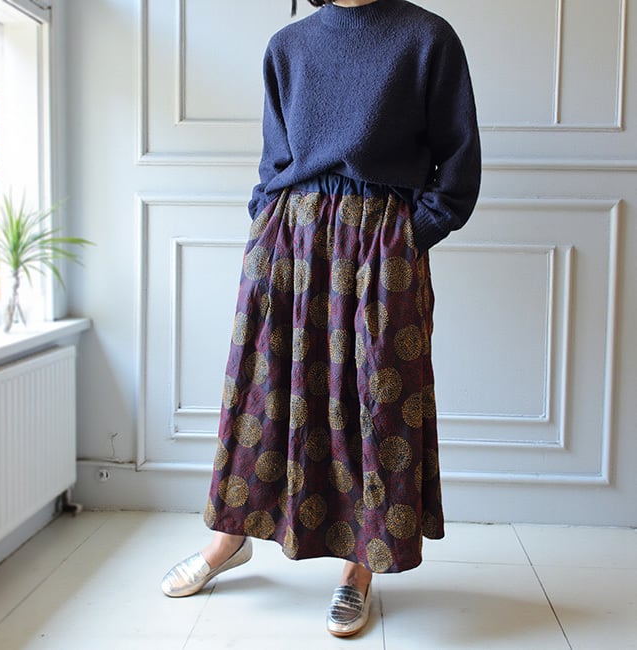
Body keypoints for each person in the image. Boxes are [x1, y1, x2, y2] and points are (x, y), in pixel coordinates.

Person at [161, 0, 480, 638]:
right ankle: (230, 537)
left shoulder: (427, 38)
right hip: (290, 239)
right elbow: (274, 161)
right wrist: (265, 225)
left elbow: (458, 160)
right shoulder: (288, 46)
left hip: (380, 243)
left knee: (376, 401)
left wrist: (409, 235)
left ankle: (359, 566)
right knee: (260, 393)